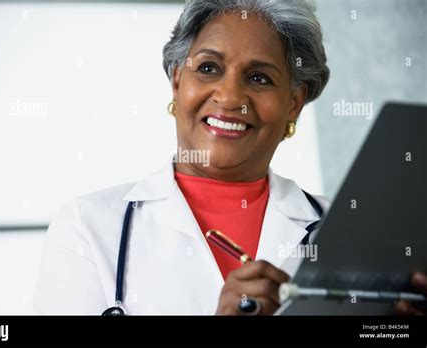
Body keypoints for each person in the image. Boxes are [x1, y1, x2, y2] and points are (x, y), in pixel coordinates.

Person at [33, 0, 426, 315]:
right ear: (176, 81)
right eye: (208, 68)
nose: (230, 97)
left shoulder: (354, 236)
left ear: (294, 103)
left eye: (259, 78)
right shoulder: (89, 228)